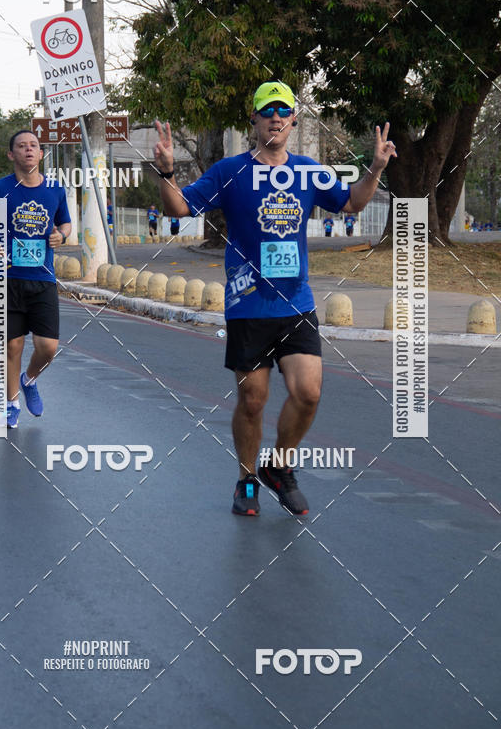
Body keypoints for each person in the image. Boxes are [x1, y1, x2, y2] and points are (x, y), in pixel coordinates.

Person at [154, 81, 396, 518]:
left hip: (296, 303)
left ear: (294, 121)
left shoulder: (308, 171)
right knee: (253, 400)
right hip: (248, 302)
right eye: (268, 111)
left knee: (309, 392)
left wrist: (375, 168)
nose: (276, 118)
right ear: (254, 119)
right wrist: (167, 172)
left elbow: (351, 204)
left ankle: (279, 466)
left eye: (284, 111)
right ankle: (246, 479)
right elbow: (179, 209)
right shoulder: (231, 171)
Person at [0, 130, 71, 429]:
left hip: (43, 278)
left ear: (41, 154)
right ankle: (11, 404)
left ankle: (29, 379)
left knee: (48, 347)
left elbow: (65, 223)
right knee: (12, 346)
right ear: (12, 154)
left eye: (33, 145)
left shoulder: (55, 190)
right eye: (21, 146)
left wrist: (62, 236)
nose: (28, 150)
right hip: (6, 278)